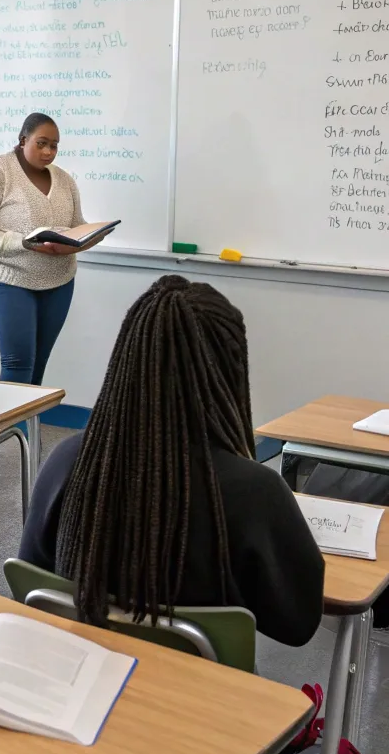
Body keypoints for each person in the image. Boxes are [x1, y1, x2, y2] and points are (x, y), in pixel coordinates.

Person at [18, 275, 325, 647]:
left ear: (126, 357)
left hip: (84, 671)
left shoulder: (68, 460)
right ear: (230, 369)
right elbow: (297, 625)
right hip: (196, 684)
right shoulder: (255, 491)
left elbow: (29, 580)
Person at [0, 112, 105, 388]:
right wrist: (23, 242)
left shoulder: (64, 180)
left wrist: (90, 236)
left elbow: (76, 225)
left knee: (38, 364)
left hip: (59, 282)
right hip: (8, 281)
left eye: (54, 146)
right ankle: (4, 418)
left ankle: (31, 419)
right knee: (18, 364)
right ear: (23, 140)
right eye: (41, 143)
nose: (48, 151)